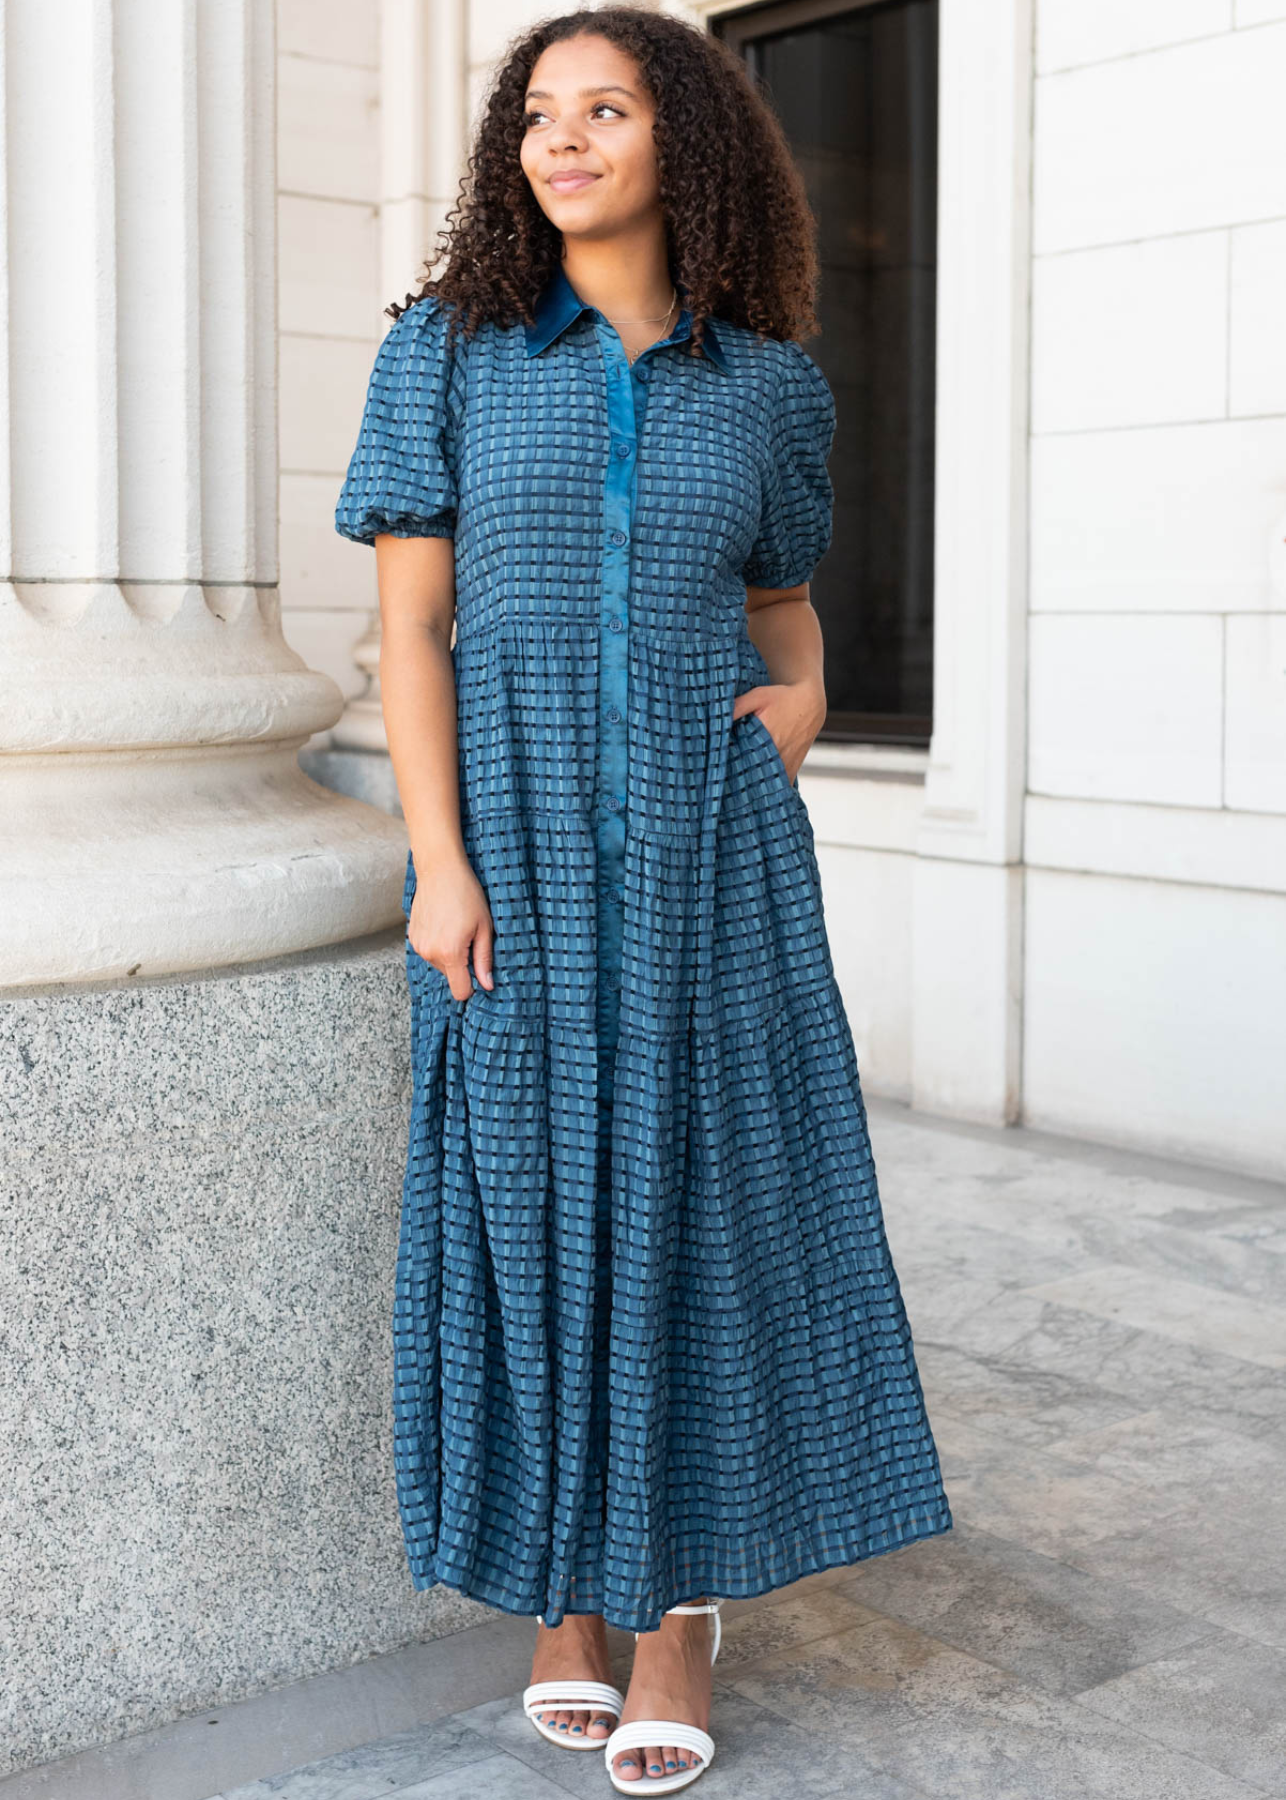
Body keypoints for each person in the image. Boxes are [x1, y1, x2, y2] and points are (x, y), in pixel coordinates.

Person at [335, 7, 952, 1790]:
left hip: (708, 859)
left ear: (683, 138)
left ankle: (678, 1616)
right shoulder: (445, 353)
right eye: (539, 115)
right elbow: (411, 628)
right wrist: (439, 865)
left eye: (606, 108)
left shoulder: (766, 386)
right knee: (523, 1214)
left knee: (701, 1215)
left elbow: (787, 620)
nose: (565, 140)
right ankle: (561, 1605)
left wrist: (811, 707)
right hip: (509, 854)